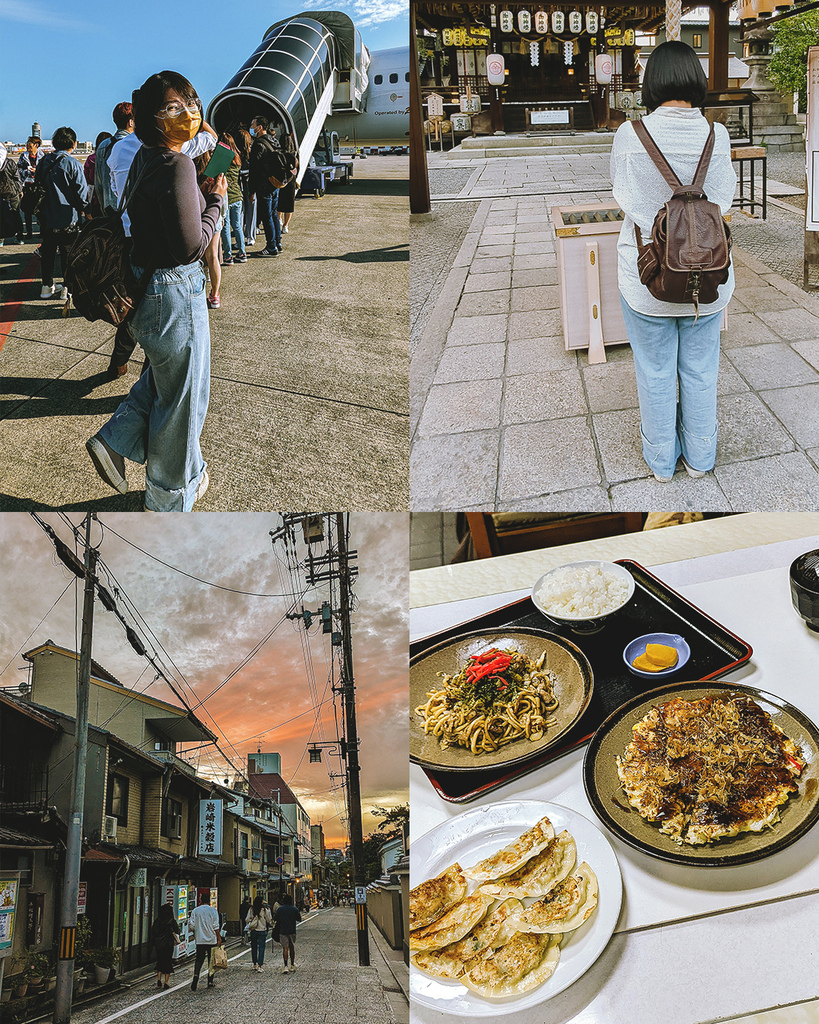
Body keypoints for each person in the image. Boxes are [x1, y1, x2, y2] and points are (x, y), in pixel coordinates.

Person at [85, 70, 226, 511]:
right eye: (173, 107)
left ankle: (119, 439)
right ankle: (167, 498)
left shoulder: (145, 156)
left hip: (145, 286)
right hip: (175, 290)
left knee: (165, 381)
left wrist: (197, 196)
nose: (187, 113)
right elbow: (190, 246)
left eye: (191, 103)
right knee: (183, 399)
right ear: (151, 117)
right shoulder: (176, 162)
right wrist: (217, 203)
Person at [610, 40, 736, 483]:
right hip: (709, 277)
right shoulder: (716, 136)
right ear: (695, 79)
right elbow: (725, 203)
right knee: (702, 370)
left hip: (647, 277)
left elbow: (625, 198)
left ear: (652, 81)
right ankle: (701, 458)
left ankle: (662, 461)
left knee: (655, 369)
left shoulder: (631, 134)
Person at [103, 95, 216, 378]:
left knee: (132, 306)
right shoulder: (173, 153)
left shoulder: (117, 149)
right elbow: (212, 140)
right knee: (163, 323)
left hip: (130, 237)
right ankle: (148, 381)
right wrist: (197, 116)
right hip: (161, 243)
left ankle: (118, 362)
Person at [33, 126, 90, 300]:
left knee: (48, 252)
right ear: (73, 143)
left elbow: (37, 184)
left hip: (46, 216)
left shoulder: (44, 161)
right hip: (68, 217)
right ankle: (67, 288)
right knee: (67, 254)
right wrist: (86, 210)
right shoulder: (72, 163)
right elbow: (82, 193)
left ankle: (46, 286)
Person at [248, 115, 282, 257]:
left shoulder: (258, 144)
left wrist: (251, 190)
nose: (251, 127)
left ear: (259, 127)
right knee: (273, 214)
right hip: (275, 183)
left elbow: (254, 169)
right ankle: (278, 243)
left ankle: (271, 247)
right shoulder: (275, 141)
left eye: (252, 124)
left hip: (264, 186)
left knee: (266, 216)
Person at [95, 102, 135, 216]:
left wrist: (104, 207)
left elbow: (98, 182)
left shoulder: (104, 145)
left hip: (109, 209)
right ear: (131, 122)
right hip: (129, 210)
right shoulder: (135, 145)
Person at [219, 132, 246, 264]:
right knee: (237, 226)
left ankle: (228, 256)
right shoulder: (237, 157)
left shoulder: (223, 157)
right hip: (238, 195)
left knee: (225, 227)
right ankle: (242, 253)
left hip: (227, 196)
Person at [187, 891, 222, 991]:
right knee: (211, 961)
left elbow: (191, 925)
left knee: (199, 960)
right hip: (211, 940)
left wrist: (196, 932)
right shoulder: (213, 911)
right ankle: (210, 981)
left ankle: (196, 976)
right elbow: (216, 926)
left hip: (200, 940)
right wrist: (219, 938)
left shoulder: (195, 911)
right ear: (210, 900)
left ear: (201, 900)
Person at [17, 136, 44, 239]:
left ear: (36, 145)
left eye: (30, 144)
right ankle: (29, 232)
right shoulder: (23, 156)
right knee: (27, 211)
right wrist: (27, 171)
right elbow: (18, 170)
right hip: (27, 186)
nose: (27, 146)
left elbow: (45, 171)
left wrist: (36, 171)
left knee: (40, 210)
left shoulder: (43, 157)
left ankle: (42, 231)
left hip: (38, 186)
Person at [151, 902, 180, 990]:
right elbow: (178, 930)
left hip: (159, 945)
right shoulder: (171, 921)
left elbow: (153, 932)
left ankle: (159, 979)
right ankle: (166, 982)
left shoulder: (158, 920)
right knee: (167, 962)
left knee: (160, 961)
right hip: (168, 944)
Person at [84, 132, 112, 219]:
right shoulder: (112, 157)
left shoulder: (91, 159)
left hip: (94, 198)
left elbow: (86, 179)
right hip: (111, 196)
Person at [273, 893, 301, 974]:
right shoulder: (294, 909)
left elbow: (275, 918)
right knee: (292, 947)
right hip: (292, 930)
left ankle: (285, 966)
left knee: (285, 947)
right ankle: (292, 964)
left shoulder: (280, 909)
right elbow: (299, 919)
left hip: (283, 931)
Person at [278, 130, 298, 234]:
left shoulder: (278, 154)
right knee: (289, 205)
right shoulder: (294, 155)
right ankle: (286, 225)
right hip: (291, 181)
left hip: (280, 181)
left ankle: (279, 220)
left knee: (279, 203)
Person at [245, 894, 272, 972]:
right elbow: (269, 920)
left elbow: (247, 919)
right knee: (261, 947)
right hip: (262, 930)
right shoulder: (264, 909)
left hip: (254, 930)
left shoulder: (251, 909)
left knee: (254, 947)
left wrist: (251, 921)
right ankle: (260, 964)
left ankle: (254, 963)